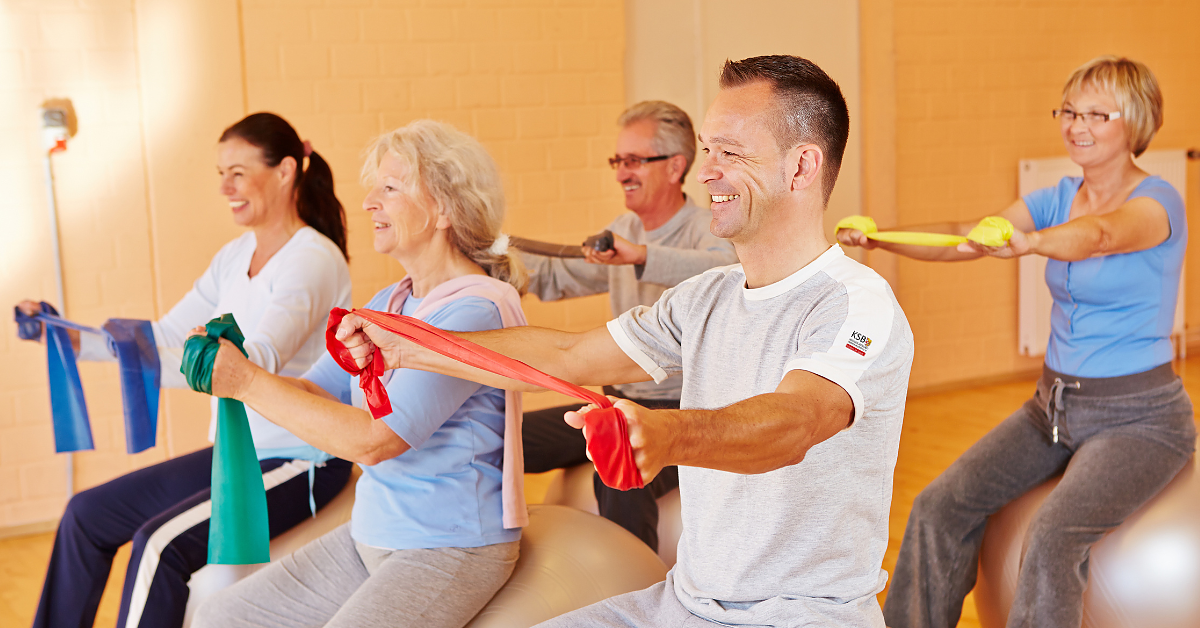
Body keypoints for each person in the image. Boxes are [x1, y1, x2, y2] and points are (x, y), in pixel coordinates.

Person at [334, 56, 915, 628]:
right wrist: (407, 345)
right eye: (708, 150)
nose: (707, 172)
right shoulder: (705, 297)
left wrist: (668, 434)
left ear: (802, 167)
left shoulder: (856, 303)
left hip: (803, 614)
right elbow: (567, 356)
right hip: (684, 604)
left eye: (731, 153)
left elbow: (795, 424)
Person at [836, 56, 1195, 628]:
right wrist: (882, 239)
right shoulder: (1057, 196)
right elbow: (964, 238)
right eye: (1069, 112)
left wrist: (1029, 242)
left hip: (1141, 420)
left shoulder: (1159, 201)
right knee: (937, 507)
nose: (1076, 125)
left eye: (1096, 115)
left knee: (1052, 534)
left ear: (1136, 122)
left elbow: (1102, 236)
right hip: (1052, 409)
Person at [17, 113, 354, 628]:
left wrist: (203, 359)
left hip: (299, 459)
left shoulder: (313, 259)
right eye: (221, 173)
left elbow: (254, 365)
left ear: (286, 171)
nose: (225, 188)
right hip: (237, 454)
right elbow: (163, 337)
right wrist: (66, 337)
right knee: (85, 515)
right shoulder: (235, 255)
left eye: (238, 173)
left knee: (157, 545)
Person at [191, 120, 528, 628]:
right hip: (371, 533)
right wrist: (234, 366)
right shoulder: (390, 301)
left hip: (448, 546)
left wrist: (246, 382)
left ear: (443, 208)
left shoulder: (475, 310)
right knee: (222, 617)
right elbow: (313, 389)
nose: (369, 203)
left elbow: (375, 441)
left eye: (389, 188)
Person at [521, 100, 736, 551]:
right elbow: (560, 276)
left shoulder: (708, 229)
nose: (621, 173)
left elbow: (725, 271)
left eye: (634, 160)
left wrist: (640, 255)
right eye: (618, 161)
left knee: (619, 473)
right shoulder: (625, 229)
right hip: (613, 405)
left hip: (678, 414)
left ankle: (638, 590)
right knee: (505, 439)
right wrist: (493, 262)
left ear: (675, 166)